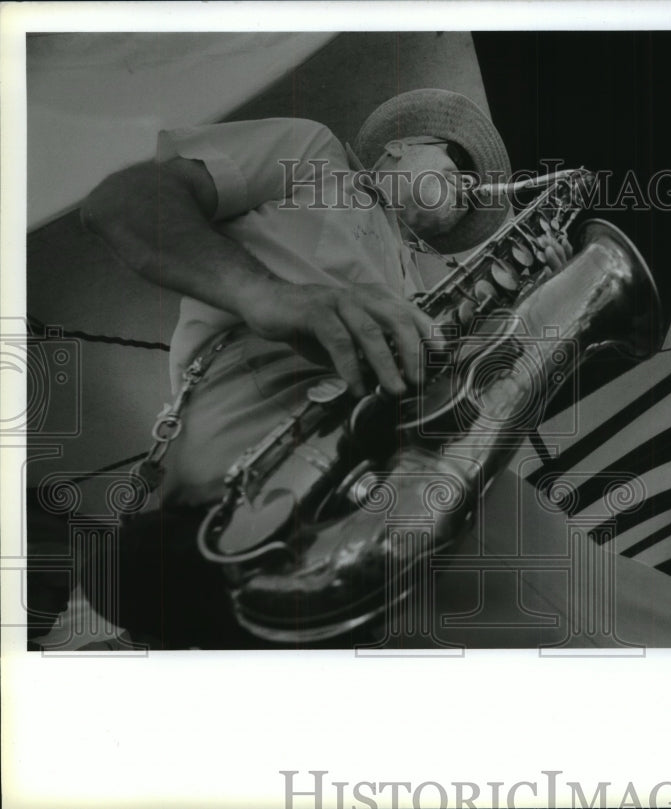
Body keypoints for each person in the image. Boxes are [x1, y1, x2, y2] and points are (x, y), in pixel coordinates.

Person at [77, 89, 534, 647]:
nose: (465, 193)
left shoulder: (414, 278)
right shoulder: (315, 151)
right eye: (459, 165)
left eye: (468, 198)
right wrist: (269, 295)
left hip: (362, 484)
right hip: (259, 428)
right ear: (398, 148)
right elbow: (122, 201)